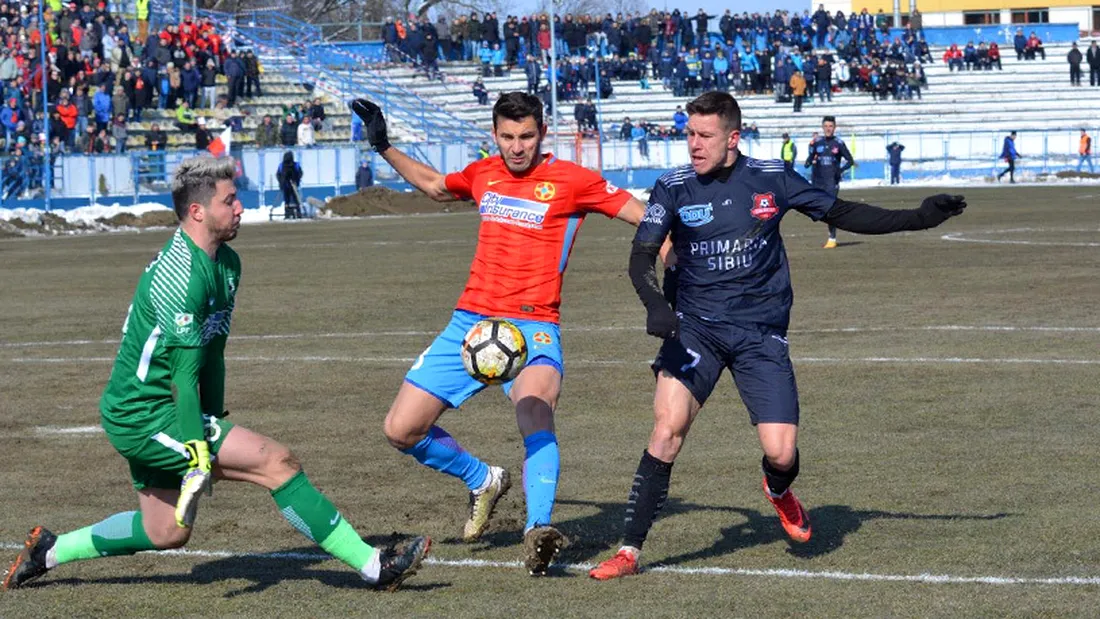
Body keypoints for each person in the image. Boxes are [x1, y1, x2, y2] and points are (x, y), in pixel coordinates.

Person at [1, 156, 429, 593]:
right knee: (276, 462)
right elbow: (182, 379)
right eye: (230, 201)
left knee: (166, 532)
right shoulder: (182, 276)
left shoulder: (226, 264)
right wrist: (198, 450)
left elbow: (214, 350)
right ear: (197, 211)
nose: (240, 207)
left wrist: (214, 419)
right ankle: (374, 566)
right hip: (141, 415)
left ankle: (48, 551)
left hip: (160, 410)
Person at [587, 91, 967, 580]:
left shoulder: (772, 180)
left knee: (781, 451)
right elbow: (641, 256)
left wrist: (920, 217)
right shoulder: (672, 187)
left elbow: (846, 213)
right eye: (688, 134)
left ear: (733, 137)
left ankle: (779, 491)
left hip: (759, 332)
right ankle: (629, 552)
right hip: (696, 330)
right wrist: (656, 305)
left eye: (704, 136)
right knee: (667, 432)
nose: (694, 145)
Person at [349, 92, 665, 576]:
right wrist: (384, 145)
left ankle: (537, 530)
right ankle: (482, 479)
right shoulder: (483, 173)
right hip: (469, 323)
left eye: (527, 137)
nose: (517, 147)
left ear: (542, 134)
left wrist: (670, 254)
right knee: (400, 430)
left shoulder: (573, 181)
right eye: (507, 137)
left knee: (536, 415)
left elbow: (641, 214)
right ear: (494, 136)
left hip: (533, 325)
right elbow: (435, 185)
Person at [805, 115, 855, 248]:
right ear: (822, 127)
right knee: (818, 209)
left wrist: (840, 170)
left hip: (831, 182)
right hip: (818, 182)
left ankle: (832, 238)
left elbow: (850, 161)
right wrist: (808, 161)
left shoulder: (839, 143)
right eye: (826, 126)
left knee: (830, 209)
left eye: (831, 126)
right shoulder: (817, 142)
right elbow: (811, 157)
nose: (828, 129)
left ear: (835, 127)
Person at [276, 151, 303, 219]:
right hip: (286, 185)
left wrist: (295, 180)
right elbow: (278, 175)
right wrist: (282, 181)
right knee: (290, 200)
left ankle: (293, 213)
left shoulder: (295, 165)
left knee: (292, 199)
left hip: (291, 184)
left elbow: (300, 173)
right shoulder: (282, 165)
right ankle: (291, 213)